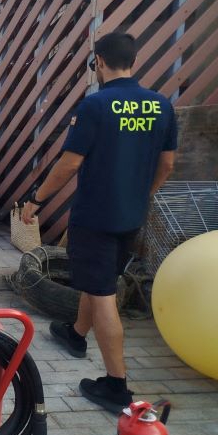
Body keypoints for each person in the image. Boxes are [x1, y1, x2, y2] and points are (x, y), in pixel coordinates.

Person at [22, 32, 177, 413]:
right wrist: (143, 194)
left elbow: (70, 163)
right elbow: (168, 163)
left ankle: (116, 385)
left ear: (100, 62)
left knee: (104, 295)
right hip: (131, 216)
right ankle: (76, 334)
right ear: (134, 61)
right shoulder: (161, 105)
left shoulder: (96, 105)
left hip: (95, 216)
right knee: (99, 280)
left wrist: (37, 200)